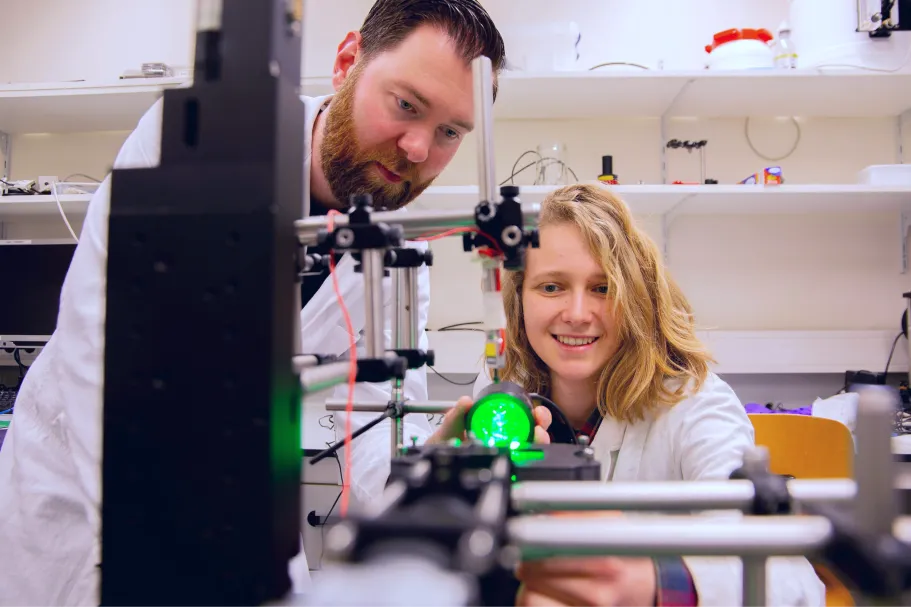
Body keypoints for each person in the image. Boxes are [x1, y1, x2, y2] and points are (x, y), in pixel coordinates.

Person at [0, 2, 508, 605]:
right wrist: (169, 536)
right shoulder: (195, 141)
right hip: (77, 505)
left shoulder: (392, 264)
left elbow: (366, 426)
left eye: (451, 131)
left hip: (241, 519)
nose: (419, 148)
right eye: (406, 104)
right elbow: (99, 354)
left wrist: (429, 466)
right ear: (348, 62)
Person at [442, 183, 824, 606]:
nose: (576, 314)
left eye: (603, 288)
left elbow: (789, 572)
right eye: (551, 287)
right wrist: (440, 483)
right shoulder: (499, 394)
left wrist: (654, 583)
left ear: (637, 297)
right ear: (518, 300)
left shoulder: (693, 403)